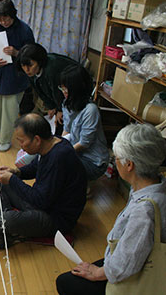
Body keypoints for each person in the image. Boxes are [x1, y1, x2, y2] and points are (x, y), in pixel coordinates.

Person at [56, 123, 166, 295]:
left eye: (116, 158)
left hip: (138, 277)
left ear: (129, 165)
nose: (114, 162)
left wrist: (99, 272)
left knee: (65, 282)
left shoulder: (144, 210)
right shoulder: (156, 186)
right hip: (130, 258)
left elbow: (128, 262)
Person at [0, 113, 87, 249]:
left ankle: (3, 223)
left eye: (22, 141)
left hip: (54, 217)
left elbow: (40, 200)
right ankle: (7, 224)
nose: (20, 146)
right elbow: (36, 167)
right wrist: (17, 172)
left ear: (37, 140)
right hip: (40, 204)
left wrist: (13, 180)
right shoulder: (51, 143)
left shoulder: (59, 157)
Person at [0, 0, 35, 152]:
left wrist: (16, 52)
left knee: (10, 110)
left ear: (12, 14)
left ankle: (5, 139)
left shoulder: (24, 30)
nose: (3, 22)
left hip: (15, 76)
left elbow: (32, 55)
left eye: (6, 18)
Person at [60, 65, 109, 186]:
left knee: (58, 166)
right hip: (77, 153)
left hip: (94, 162)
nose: (64, 91)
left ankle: (82, 187)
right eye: (62, 88)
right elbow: (66, 130)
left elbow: (84, 143)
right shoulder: (67, 103)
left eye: (67, 88)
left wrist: (60, 153)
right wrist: (58, 146)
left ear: (77, 88)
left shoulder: (90, 110)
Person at [16, 43, 84, 126]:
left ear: (39, 61)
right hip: (61, 96)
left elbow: (57, 91)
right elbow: (39, 90)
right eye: (23, 66)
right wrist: (51, 106)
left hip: (77, 91)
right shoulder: (32, 72)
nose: (26, 70)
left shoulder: (52, 68)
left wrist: (59, 110)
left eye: (30, 65)